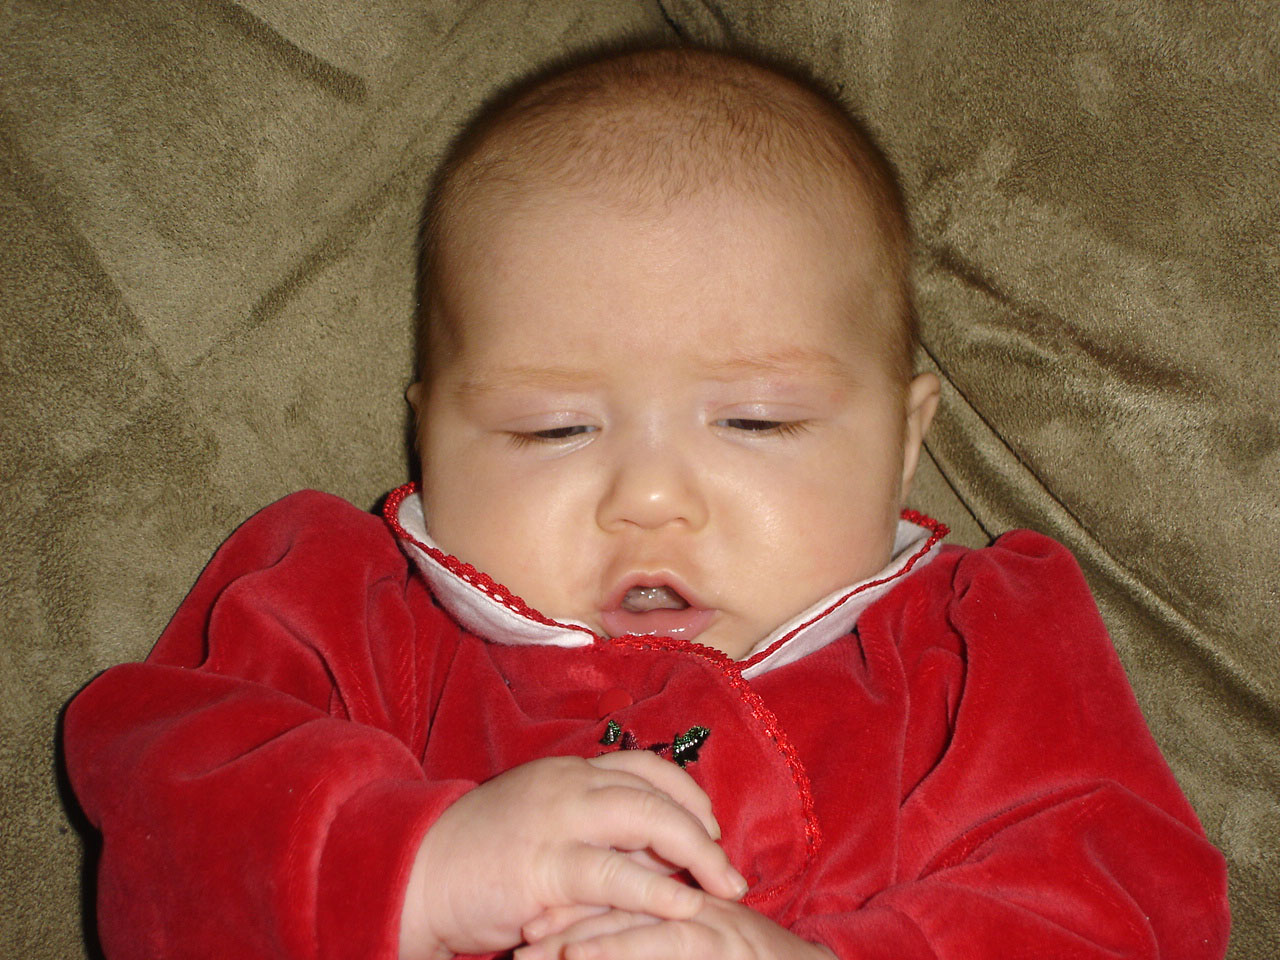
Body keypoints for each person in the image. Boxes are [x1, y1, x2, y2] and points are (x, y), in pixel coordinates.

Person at [63, 45, 1229, 960]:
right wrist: (418, 866)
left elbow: (1122, 894)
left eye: (755, 421)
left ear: (902, 443)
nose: (650, 499)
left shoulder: (980, 646)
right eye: (550, 429)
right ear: (429, 436)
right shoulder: (339, 609)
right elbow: (168, 798)